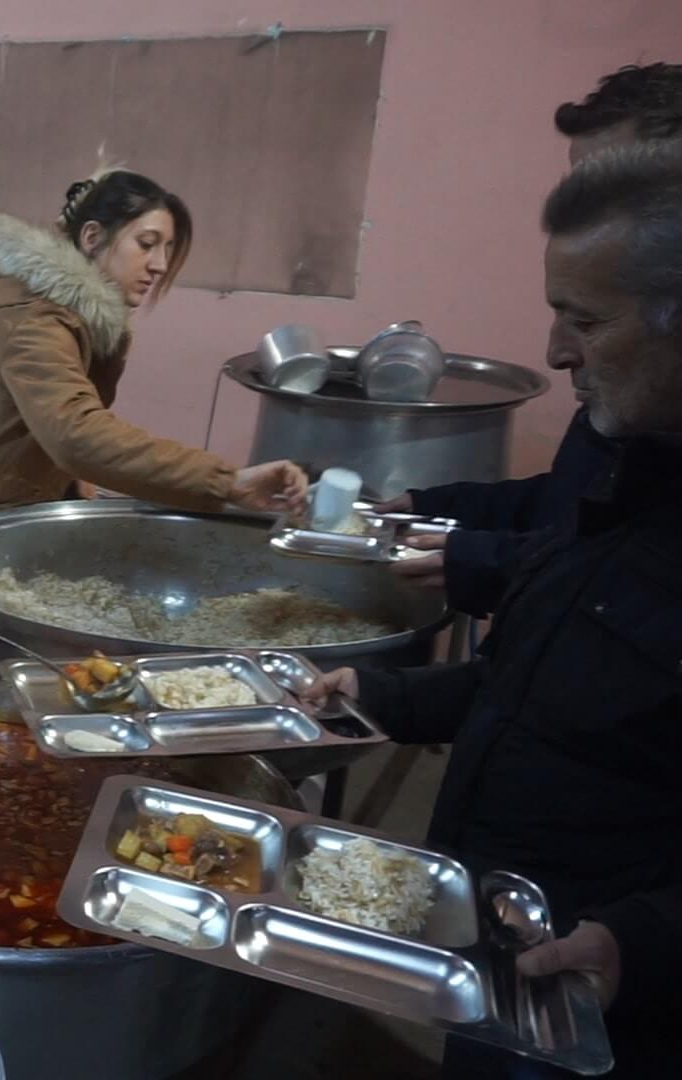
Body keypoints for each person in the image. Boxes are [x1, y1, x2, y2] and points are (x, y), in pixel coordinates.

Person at [306, 145, 682, 1079]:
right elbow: (541, 683)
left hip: (608, 992)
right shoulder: (623, 467)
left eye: (585, 321)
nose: (555, 353)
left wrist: (644, 942)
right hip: (505, 926)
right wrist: (383, 695)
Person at [0, 170, 308, 673]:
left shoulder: (53, 312)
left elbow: (38, 429)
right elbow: (75, 432)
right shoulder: (37, 322)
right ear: (92, 238)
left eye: (167, 250)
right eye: (146, 244)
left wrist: (71, 488)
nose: (159, 265)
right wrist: (226, 481)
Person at [384, 62, 681, 614]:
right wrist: (428, 506)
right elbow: (568, 506)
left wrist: (486, 561)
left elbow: (622, 593)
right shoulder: (624, 387)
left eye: (607, 188)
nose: (560, 354)